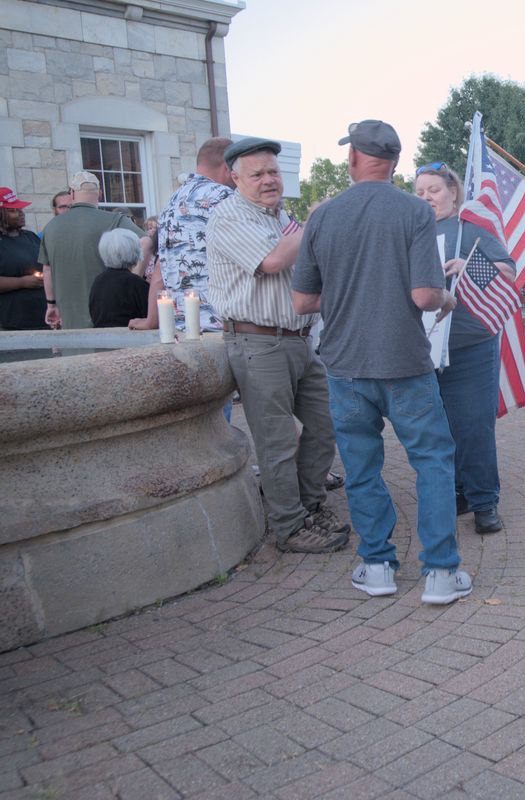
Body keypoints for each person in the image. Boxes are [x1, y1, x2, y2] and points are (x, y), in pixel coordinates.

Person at [292, 120, 473, 604]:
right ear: (394, 163)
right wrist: (447, 299)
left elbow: (302, 302)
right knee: (432, 461)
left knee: (361, 466)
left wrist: (349, 292)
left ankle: (376, 567)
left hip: (345, 365)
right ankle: (440, 573)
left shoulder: (324, 216)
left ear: (353, 157)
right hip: (405, 362)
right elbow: (424, 295)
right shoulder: (414, 211)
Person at [207, 137, 350, 556]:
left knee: (326, 422)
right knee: (276, 441)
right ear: (235, 178)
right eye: (257, 174)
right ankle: (289, 526)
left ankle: (309, 506)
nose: (269, 180)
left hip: (299, 340)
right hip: (258, 342)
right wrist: (314, 222)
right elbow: (272, 260)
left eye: (273, 171)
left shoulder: (279, 216)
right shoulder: (228, 216)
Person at [413, 162, 514, 536]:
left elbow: (509, 271)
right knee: (439, 427)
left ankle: (484, 501)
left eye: (434, 190)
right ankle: (459, 492)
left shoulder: (471, 231)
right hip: (424, 347)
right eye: (419, 192)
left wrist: (470, 265)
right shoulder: (412, 234)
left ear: (453, 193)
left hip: (470, 345)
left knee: (473, 426)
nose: (426, 197)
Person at [131, 137, 235, 335]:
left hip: (182, 327)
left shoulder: (171, 203)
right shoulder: (225, 197)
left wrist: (152, 320)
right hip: (226, 325)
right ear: (227, 167)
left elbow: (160, 270)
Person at [39, 171, 145, 329]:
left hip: (69, 319)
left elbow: (47, 270)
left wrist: (51, 305)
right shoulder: (115, 220)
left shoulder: (50, 227)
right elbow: (146, 242)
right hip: (109, 316)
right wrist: (133, 279)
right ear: (100, 194)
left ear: (72, 194)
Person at [0, 187, 47, 330]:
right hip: (12, 323)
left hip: (43, 317)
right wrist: (22, 282)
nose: (21, 213)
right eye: (13, 210)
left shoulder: (30, 236)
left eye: (20, 209)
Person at [89, 229, 149, 327]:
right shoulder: (137, 284)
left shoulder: (98, 281)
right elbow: (151, 318)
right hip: (130, 334)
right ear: (134, 252)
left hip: (101, 334)